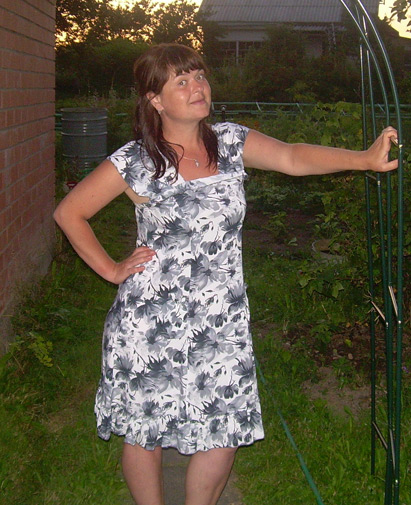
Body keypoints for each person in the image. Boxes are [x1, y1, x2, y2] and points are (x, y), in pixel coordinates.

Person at [53, 43, 398, 505]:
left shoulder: (231, 142)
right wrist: (112, 270)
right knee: (144, 432)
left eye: (200, 76)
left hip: (221, 319)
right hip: (150, 323)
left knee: (225, 430)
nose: (197, 87)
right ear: (155, 100)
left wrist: (363, 159)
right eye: (181, 81)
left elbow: (293, 157)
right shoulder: (137, 160)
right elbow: (70, 212)